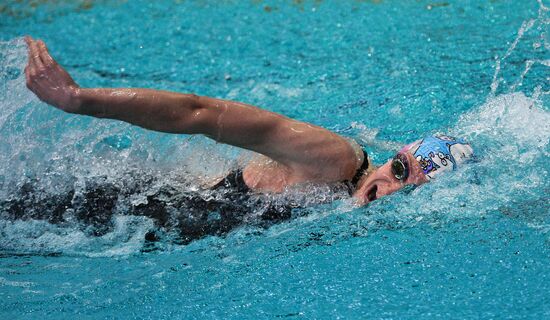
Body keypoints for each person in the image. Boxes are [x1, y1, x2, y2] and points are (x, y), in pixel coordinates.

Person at [20, 36, 474, 241]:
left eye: (410, 192)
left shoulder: (358, 222)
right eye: (398, 170)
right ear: (391, 157)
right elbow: (203, 113)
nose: (390, 190)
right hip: (113, 206)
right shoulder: (334, 160)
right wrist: (80, 100)